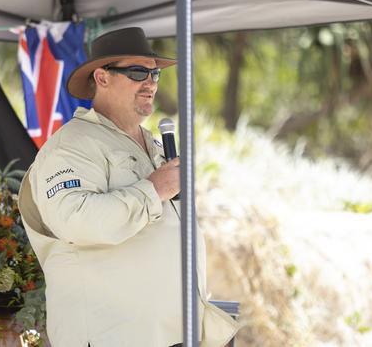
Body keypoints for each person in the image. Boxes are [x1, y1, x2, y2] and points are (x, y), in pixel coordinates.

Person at [18, 27, 238, 347]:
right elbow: (75, 220)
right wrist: (153, 189)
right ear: (102, 77)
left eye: (154, 73)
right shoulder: (70, 146)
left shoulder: (152, 145)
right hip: (114, 335)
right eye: (137, 72)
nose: (150, 82)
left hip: (169, 333)